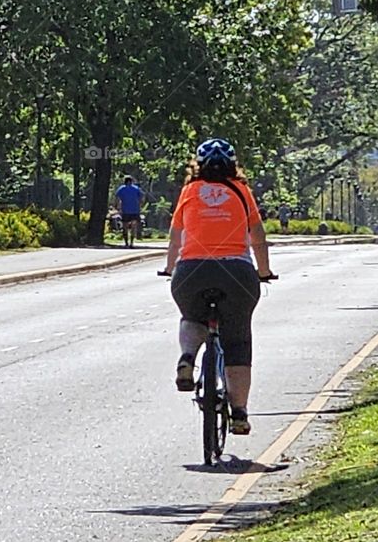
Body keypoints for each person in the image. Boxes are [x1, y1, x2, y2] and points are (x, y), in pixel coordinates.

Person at [163, 138, 274, 436]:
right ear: (232, 166)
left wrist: (170, 268)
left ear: (197, 166)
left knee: (191, 315)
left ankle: (187, 358)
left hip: (191, 271)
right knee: (237, 341)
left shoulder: (189, 192)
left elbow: (176, 238)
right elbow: (258, 238)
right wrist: (264, 271)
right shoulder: (241, 191)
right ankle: (239, 413)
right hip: (236, 271)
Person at [114, 176, 145, 248]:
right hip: (135, 210)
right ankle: (131, 243)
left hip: (125, 211)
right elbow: (142, 197)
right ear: (131, 181)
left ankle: (126, 243)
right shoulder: (136, 188)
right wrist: (140, 204)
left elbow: (117, 198)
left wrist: (117, 207)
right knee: (133, 227)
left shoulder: (121, 189)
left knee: (125, 227)